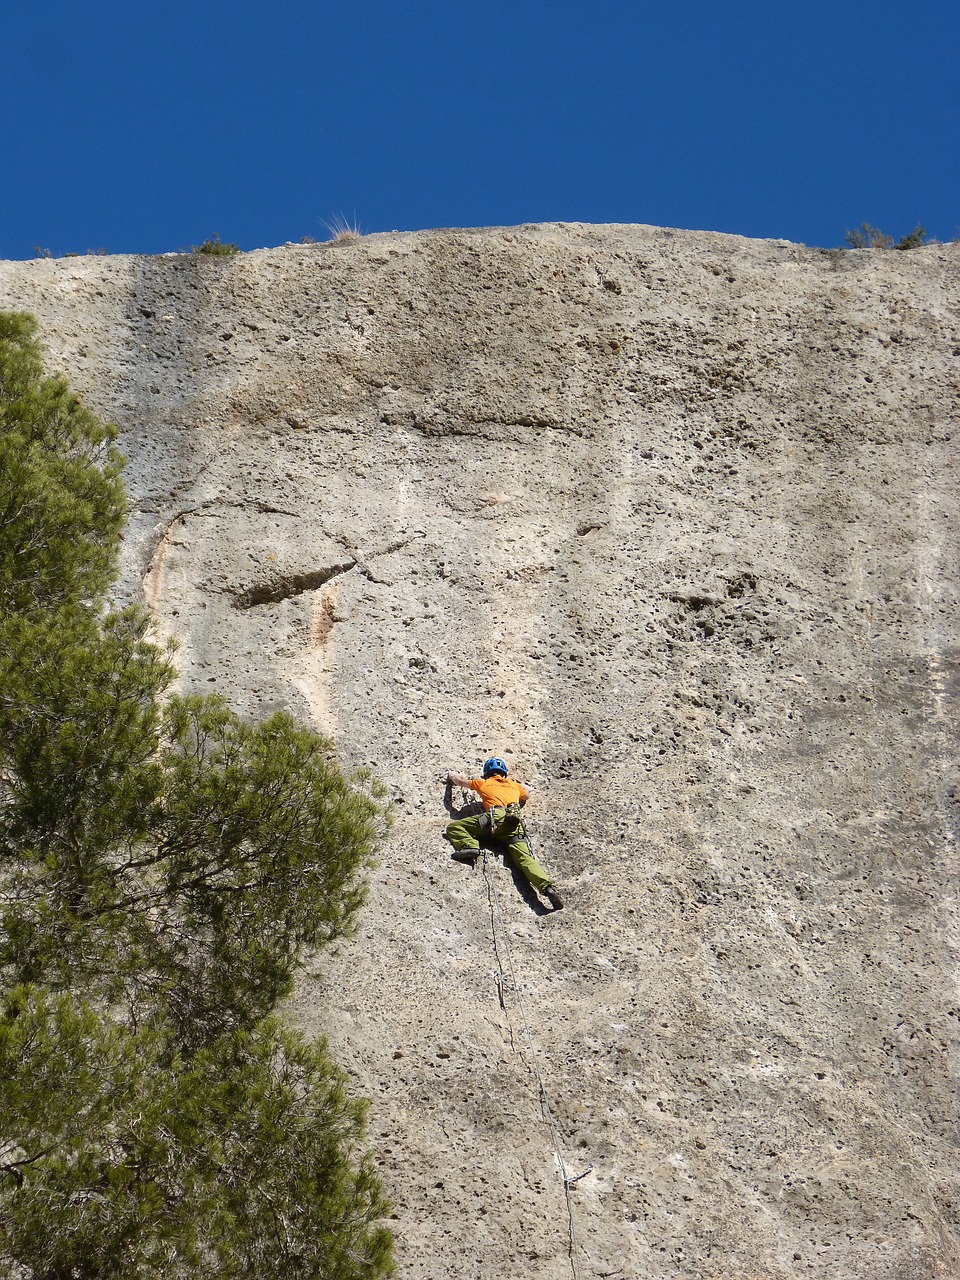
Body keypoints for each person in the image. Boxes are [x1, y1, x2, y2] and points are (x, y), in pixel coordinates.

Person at [444, 757, 564, 910]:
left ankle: (470, 846)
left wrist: (451, 774)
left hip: (494, 819)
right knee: (525, 859)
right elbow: (526, 795)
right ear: (505, 773)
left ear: (486, 773)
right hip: (514, 824)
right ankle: (547, 888)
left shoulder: (483, 783)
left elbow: (460, 781)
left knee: (454, 828)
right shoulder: (514, 786)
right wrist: (523, 786)